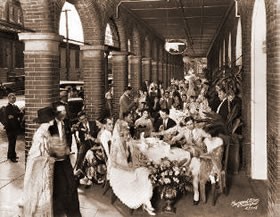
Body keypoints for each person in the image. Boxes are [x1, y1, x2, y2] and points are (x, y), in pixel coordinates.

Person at [109, 119, 155, 215]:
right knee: (134, 180)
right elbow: (113, 163)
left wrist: (142, 143)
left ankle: (146, 200)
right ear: (120, 134)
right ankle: (144, 200)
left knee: (145, 173)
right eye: (124, 135)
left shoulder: (128, 141)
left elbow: (135, 146)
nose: (127, 137)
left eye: (128, 134)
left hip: (128, 166)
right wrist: (126, 168)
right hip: (117, 171)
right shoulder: (116, 145)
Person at [20, 106, 56, 216]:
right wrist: (49, 158)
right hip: (39, 171)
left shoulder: (46, 132)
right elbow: (34, 157)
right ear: (49, 120)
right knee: (39, 195)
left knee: (46, 193)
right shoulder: (40, 135)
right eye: (53, 117)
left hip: (46, 170)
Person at [48, 104, 82, 217]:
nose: (64, 113)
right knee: (60, 187)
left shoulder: (66, 123)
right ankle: (60, 212)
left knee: (71, 185)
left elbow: (67, 137)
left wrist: (67, 148)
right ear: (55, 113)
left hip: (65, 159)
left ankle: (74, 213)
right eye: (61, 111)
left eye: (64, 111)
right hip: (55, 162)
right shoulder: (50, 127)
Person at [5, 93, 22, 163]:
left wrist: (15, 115)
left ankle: (11, 155)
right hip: (10, 128)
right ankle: (12, 157)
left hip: (14, 127)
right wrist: (16, 115)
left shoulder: (15, 106)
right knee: (12, 142)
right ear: (9, 99)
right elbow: (10, 117)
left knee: (13, 142)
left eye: (14, 98)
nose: (14, 99)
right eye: (12, 98)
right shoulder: (8, 107)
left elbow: (19, 113)